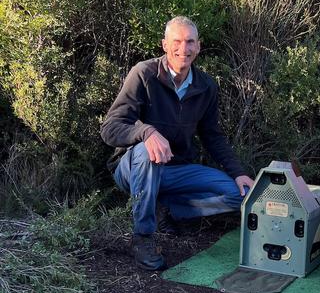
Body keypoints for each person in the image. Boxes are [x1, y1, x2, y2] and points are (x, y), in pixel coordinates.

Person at [101, 16, 254, 270]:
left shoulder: (206, 86)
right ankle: (143, 237)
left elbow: (212, 136)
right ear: (164, 44)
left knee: (239, 196)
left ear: (199, 46)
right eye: (177, 41)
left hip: (176, 170)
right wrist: (146, 132)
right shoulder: (144, 74)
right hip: (131, 169)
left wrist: (238, 174)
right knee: (146, 152)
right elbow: (110, 129)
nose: (183, 49)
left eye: (190, 42)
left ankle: (171, 210)